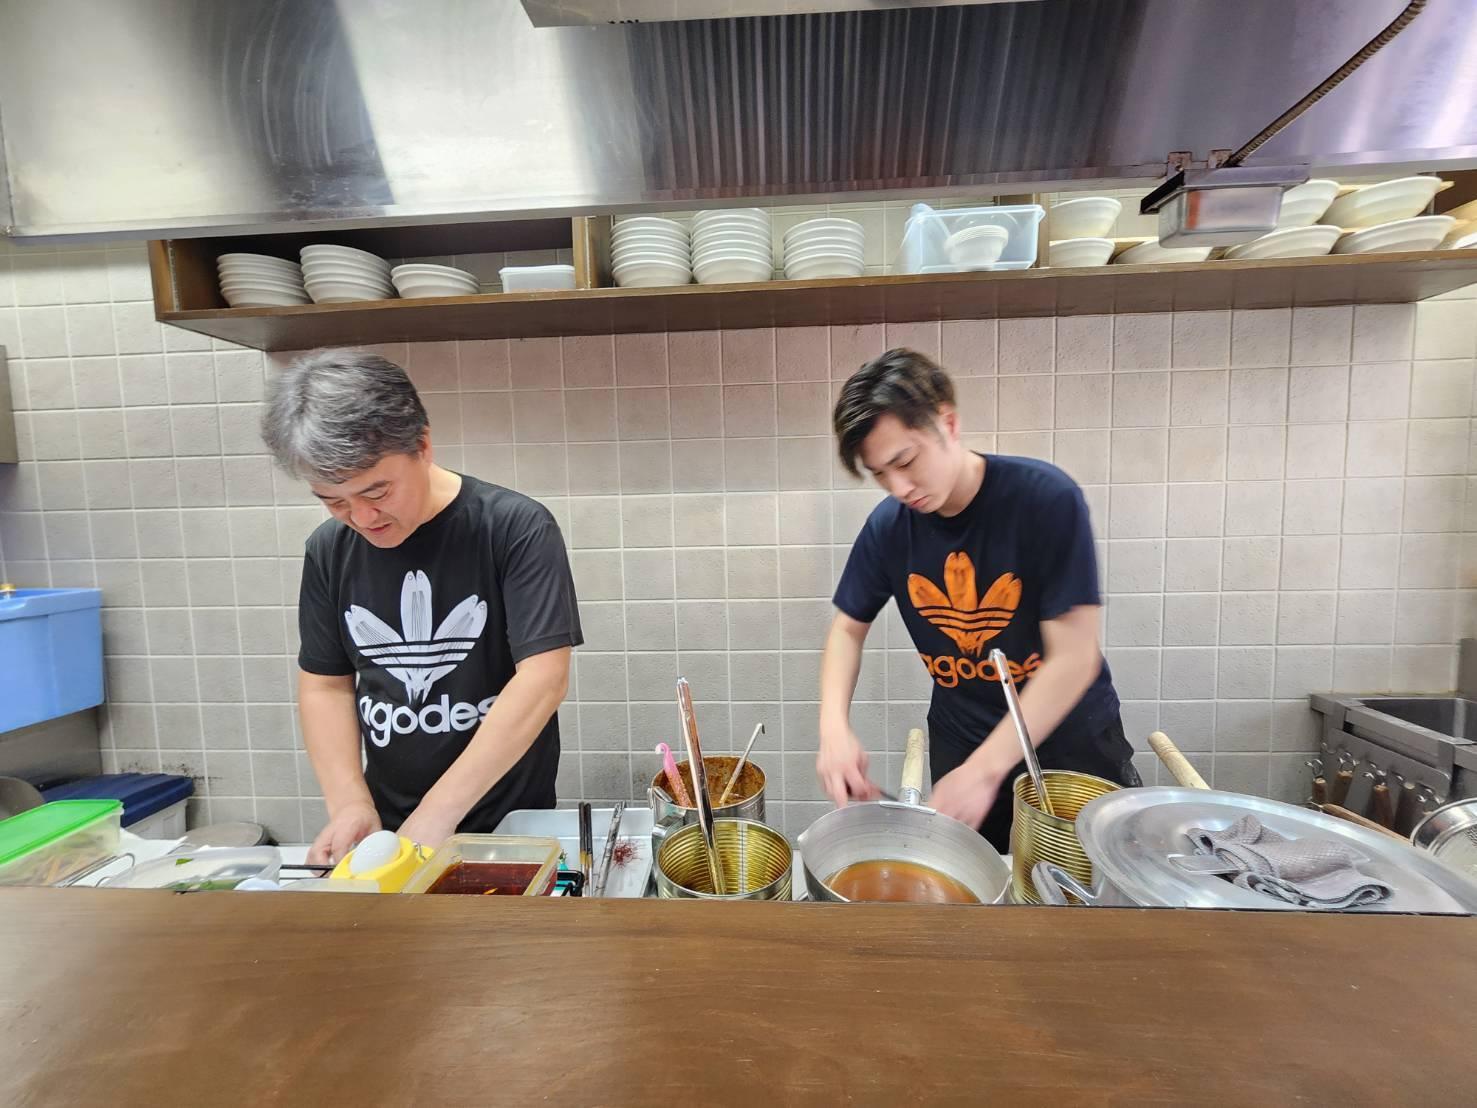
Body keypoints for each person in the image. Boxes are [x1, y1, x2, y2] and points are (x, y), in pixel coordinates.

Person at [261, 349, 582, 864]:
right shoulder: (328, 549)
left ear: (424, 446)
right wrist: (348, 804)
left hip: (507, 824)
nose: (362, 517)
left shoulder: (513, 528)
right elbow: (325, 684)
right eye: (334, 501)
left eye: (377, 491)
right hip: (390, 826)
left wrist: (439, 813)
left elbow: (543, 678)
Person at [816, 348, 1138, 853]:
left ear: (948, 422)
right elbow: (846, 628)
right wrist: (834, 730)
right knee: (976, 894)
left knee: (1085, 893)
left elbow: (1074, 658)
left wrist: (989, 768)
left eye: (905, 460)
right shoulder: (889, 527)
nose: (898, 487)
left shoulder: (1043, 499)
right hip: (960, 741)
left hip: (1067, 743)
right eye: (880, 473)